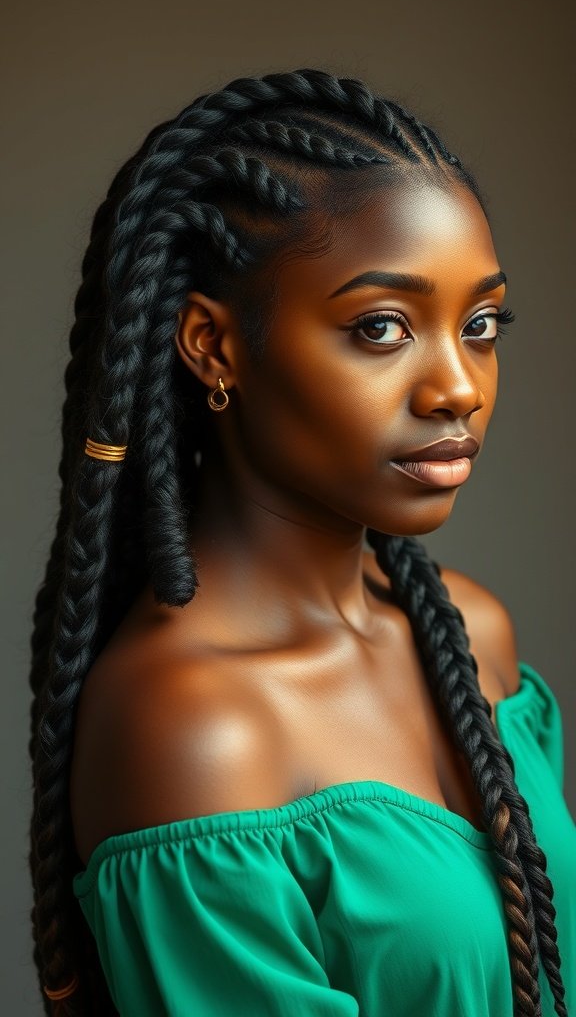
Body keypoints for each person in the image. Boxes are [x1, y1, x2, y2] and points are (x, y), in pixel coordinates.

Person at [28, 67, 575, 1017]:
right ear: (212, 345)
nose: (459, 387)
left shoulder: (471, 631)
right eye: (382, 327)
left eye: (481, 324)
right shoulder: (196, 731)